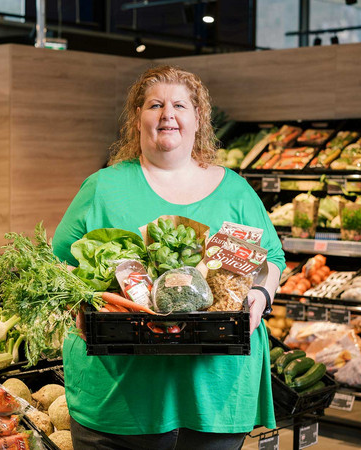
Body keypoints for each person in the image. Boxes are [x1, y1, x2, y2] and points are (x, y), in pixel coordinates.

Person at [51, 65, 285, 450]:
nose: (167, 115)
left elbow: (271, 257)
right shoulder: (103, 187)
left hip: (216, 393)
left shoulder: (236, 191)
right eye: (154, 105)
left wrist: (259, 296)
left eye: (180, 105)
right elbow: (60, 263)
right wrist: (79, 300)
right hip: (121, 394)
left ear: (198, 119)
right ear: (137, 118)